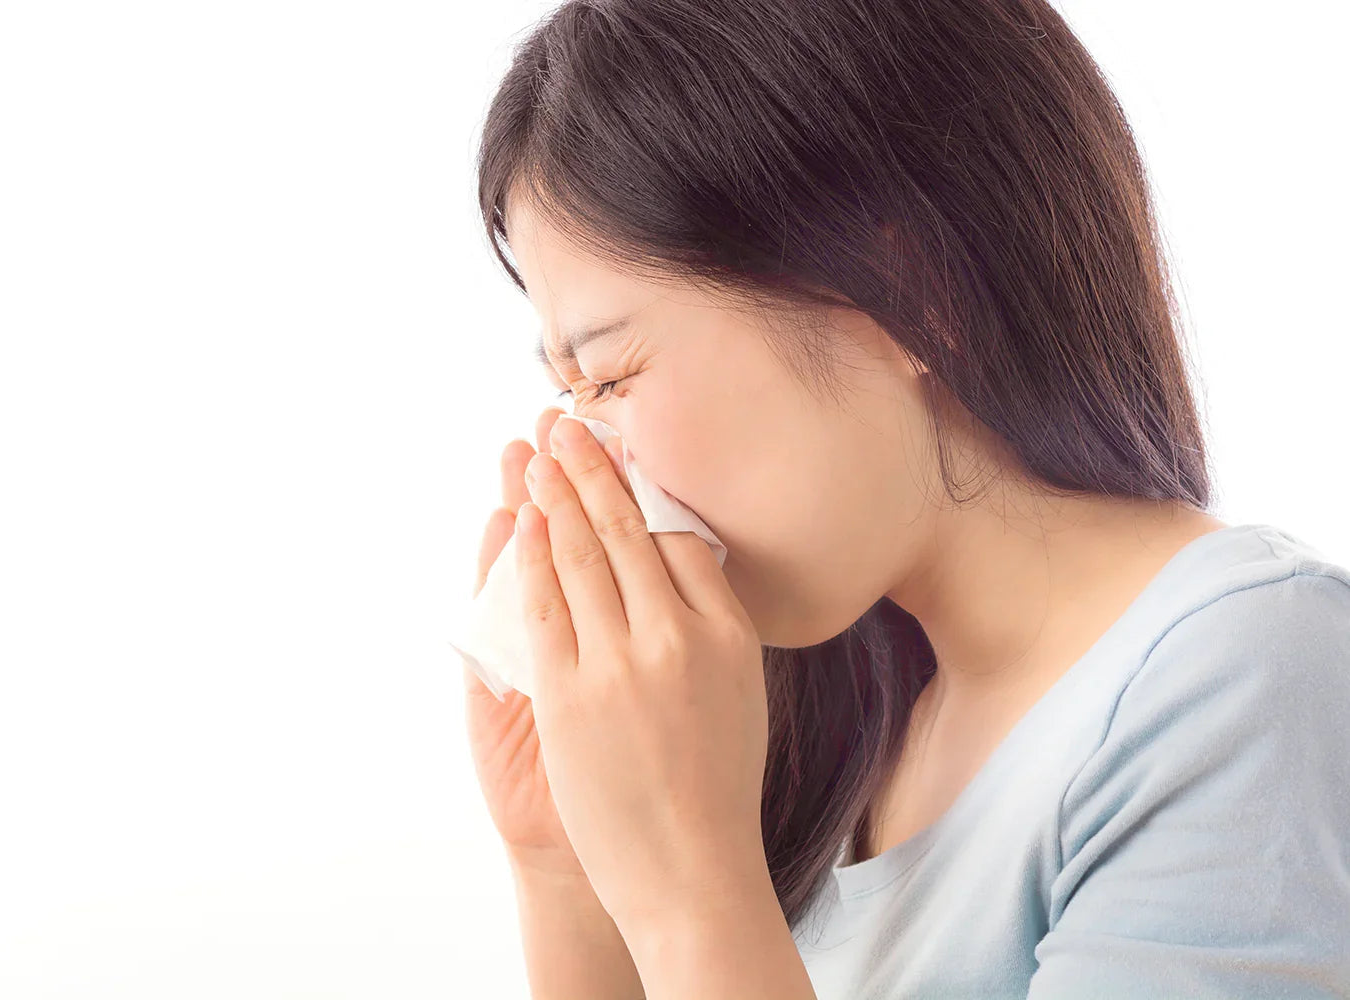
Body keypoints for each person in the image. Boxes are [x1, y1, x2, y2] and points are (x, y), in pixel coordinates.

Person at [460, 1, 1350, 996]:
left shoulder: (1250, 673)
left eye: (612, 377)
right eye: (566, 392)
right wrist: (575, 871)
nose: (591, 458)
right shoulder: (857, 737)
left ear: (906, 287)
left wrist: (688, 893)